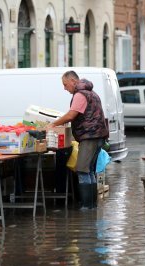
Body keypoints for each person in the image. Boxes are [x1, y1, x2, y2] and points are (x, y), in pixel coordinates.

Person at [46, 70, 109, 209]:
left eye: (65, 84)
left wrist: (53, 124)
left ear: (73, 81)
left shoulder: (80, 94)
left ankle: (87, 206)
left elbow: (71, 115)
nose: (64, 88)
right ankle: (92, 205)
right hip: (97, 136)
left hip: (89, 136)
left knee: (82, 170)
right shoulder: (92, 93)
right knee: (90, 170)